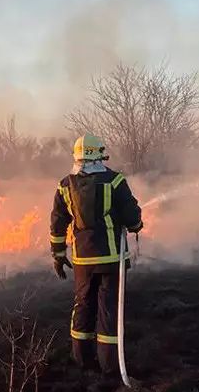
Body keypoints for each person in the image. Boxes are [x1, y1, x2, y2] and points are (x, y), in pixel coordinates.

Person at [49, 134, 144, 373]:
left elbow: (58, 224)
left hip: (83, 261)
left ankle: (81, 359)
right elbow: (132, 217)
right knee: (108, 309)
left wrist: (58, 255)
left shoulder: (65, 186)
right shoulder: (115, 181)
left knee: (83, 305)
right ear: (100, 155)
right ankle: (110, 365)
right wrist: (135, 226)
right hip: (111, 259)